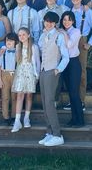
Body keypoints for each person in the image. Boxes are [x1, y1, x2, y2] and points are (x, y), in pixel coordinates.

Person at [63, 0, 92, 111]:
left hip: (82, 41)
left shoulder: (87, 12)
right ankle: (72, 100)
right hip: (69, 39)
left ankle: (81, 101)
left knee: (81, 72)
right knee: (69, 71)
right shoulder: (69, 11)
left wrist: (89, 43)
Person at [38, 11, 69, 147]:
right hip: (43, 71)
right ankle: (49, 132)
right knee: (45, 102)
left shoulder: (59, 36)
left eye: (51, 22)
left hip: (52, 71)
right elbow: (39, 49)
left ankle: (57, 134)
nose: (48, 24)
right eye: (46, 21)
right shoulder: (43, 35)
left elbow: (65, 56)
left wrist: (58, 69)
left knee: (50, 102)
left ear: (55, 23)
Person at [11, 27, 40, 133]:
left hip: (30, 72)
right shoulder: (18, 46)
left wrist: (37, 75)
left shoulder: (34, 47)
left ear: (28, 35)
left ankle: (26, 117)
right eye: (19, 35)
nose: (21, 37)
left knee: (29, 95)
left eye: (23, 34)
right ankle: (17, 120)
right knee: (19, 95)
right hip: (20, 72)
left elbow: (37, 62)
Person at [59, 11, 84, 127]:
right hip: (65, 64)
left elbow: (69, 45)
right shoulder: (61, 31)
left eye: (69, 20)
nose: (66, 22)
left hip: (74, 63)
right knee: (70, 93)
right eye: (64, 20)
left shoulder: (76, 31)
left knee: (74, 93)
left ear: (73, 21)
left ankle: (80, 120)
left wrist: (63, 33)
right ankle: (74, 119)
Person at [0, 33, 19, 126]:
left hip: (15, 75)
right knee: (5, 97)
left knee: (15, 97)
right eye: (7, 40)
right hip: (4, 74)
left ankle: (14, 116)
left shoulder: (18, 52)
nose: (8, 42)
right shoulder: (2, 52)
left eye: (11, 40)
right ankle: (6, 117)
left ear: (16, 42)